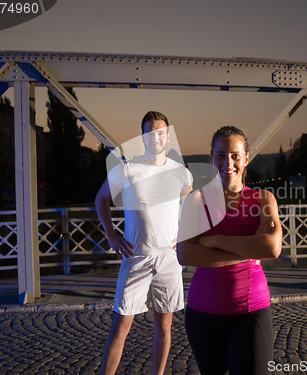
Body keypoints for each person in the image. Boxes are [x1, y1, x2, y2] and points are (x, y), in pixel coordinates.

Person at [177, 126, 282, 375]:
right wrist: (251, 247)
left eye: (235, 155)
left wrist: (212, 240)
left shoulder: (262, 199)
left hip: (250, 312)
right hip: (202, 315)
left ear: (246, 158)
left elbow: (272, 247)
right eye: (221, 155)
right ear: (211, 159)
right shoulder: (195, 200)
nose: (228, 162)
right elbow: (186, 255)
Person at [95, 111, 193, 375]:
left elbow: (191, 209)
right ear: (143, 137)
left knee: (164, 327)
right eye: (150, 132)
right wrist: (111, 233)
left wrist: (184, 234)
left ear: (168, 136)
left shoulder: (181, 173)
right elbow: (100, 199)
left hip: (168, 260)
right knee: (120, 328)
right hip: (135, 257)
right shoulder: (125, 170)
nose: (156, 137)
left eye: (160, 132)